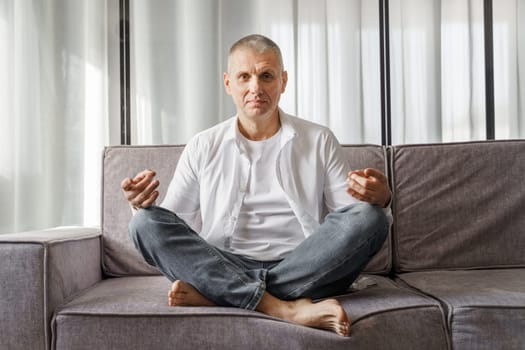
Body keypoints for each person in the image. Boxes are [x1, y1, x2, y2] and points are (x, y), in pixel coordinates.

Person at [122, 34, 391, 337]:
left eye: (266, 76)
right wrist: (140, 204)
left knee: (372, 218)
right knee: (144, 224)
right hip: (225, 260)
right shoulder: (203, 145)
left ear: (283, 81)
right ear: (228, 83)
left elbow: (350, 219)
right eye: (244, 77)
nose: (256, 88)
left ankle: (221, 294)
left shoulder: (319, 139)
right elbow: (173, 226)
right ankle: (285, 307)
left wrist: (379, 199)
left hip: (304, 262)